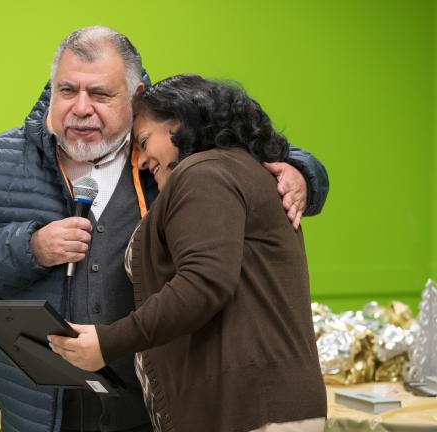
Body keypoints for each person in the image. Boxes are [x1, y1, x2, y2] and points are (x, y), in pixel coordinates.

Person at [0, 27, 329, 432]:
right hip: (38, 413)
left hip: (157, 409)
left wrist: (303, 175)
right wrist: (30, 247)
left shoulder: (177, 145)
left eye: (100, 95)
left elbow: (249, 144)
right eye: (67, 91)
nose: (81, 108)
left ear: (135, 96)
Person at [49, 74, 327, 432]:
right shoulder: (233, 171)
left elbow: (202, 284)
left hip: (246, 409)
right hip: (262, 406)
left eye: (145, 140)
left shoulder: (203, 174)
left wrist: (108, 341)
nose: (143, 158)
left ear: (180, 123)